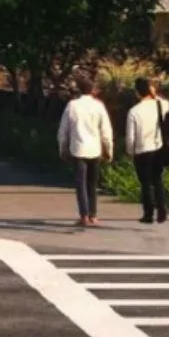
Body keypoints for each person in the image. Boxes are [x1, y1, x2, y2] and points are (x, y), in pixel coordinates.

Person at [57, 74, 113, 227]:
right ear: (93, 90)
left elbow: (63, 130)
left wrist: (62, 148)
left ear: (79, 90)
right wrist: (109, 150)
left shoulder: (72, 105)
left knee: (80, 183)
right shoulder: (98, 106)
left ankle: (84, 216)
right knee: (92, 184)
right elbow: (106, 131)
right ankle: (93, 215)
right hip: (95, 149)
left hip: (78, 149)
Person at [126, 76, 169, 224]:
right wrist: (154, 93)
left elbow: (130, 137)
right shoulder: (160, 105)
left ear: (136, 93)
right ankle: (162, 211)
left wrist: (130, 151)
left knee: (145, 183)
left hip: (141, 150)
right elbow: (168, 104)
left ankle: (148, 214)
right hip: (158, 147)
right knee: (158, 180)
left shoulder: (134, 111)